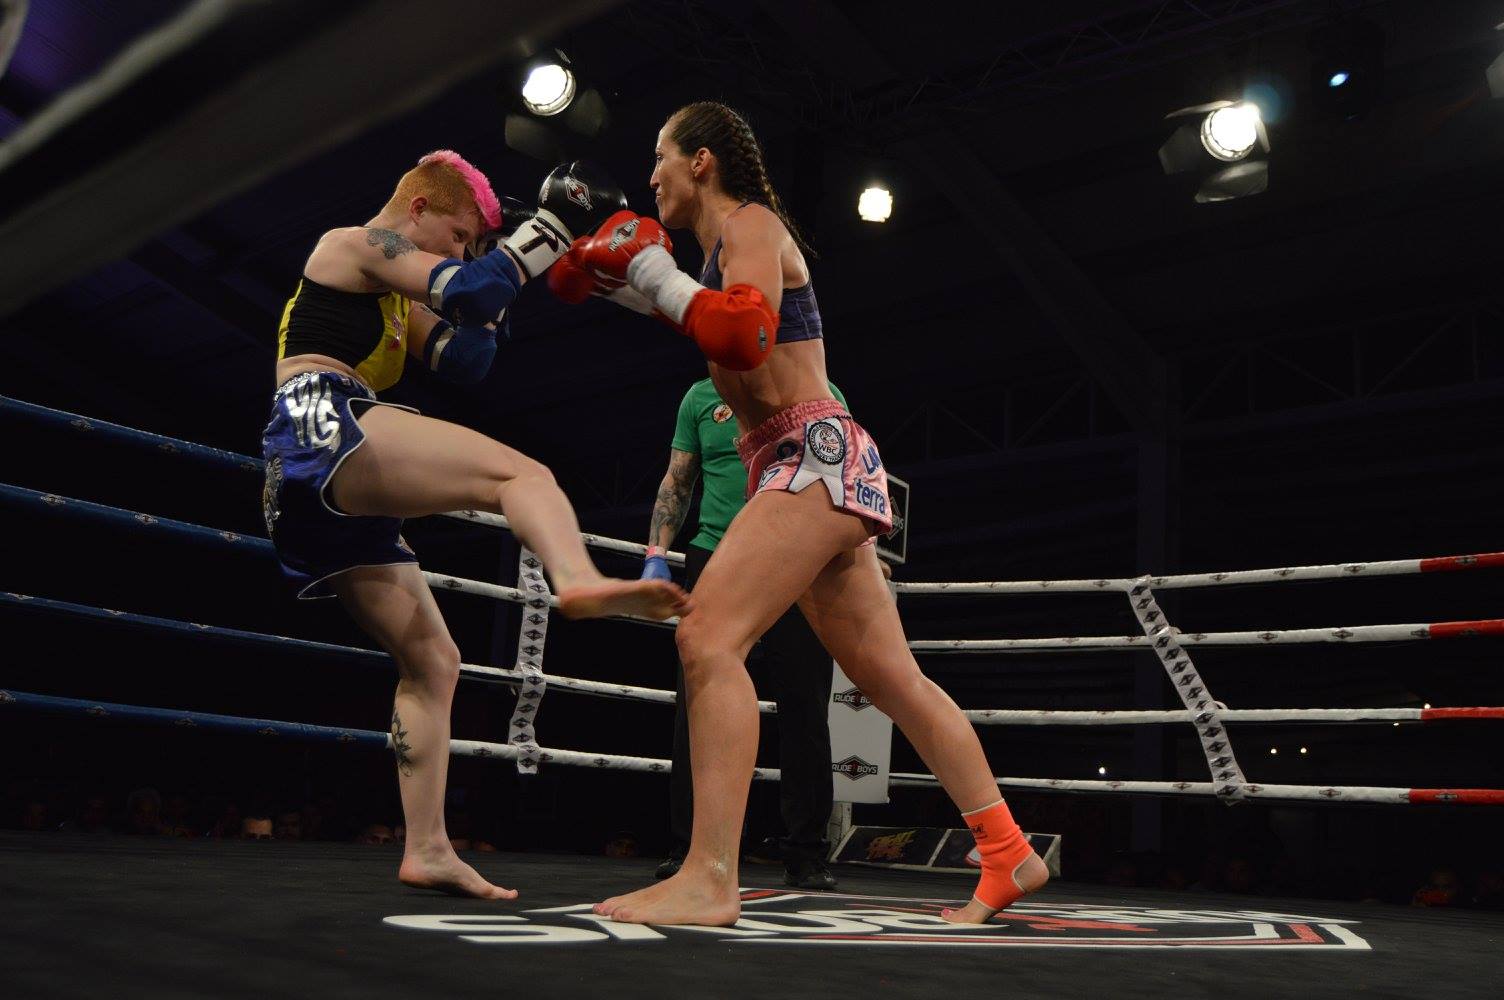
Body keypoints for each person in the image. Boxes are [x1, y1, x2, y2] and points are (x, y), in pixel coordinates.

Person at [551, 102, 1047, 926]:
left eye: (661, 155)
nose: (651, 175)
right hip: (808, 462)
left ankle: (710, 876)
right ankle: (1007, 851)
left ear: (701, 160)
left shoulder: (750, 224)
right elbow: (698, 316)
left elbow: (744, 336)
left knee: (707, 637)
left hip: (809, 455)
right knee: (892, 679)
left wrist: (649, 271)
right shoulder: (717, 256)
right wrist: (606, 275)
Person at [262, 150, 690, 900]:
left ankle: (427, 848)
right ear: (420, 208)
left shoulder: (398, 298)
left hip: (308, 469)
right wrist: (550, 228)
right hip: (321, 422)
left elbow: (466, 358)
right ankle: (577, 581)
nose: (463, 250)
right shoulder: (354, 244)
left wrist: (500, 284)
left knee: (433, 661)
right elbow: (470, 285)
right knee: (525, 477)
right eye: (459, 234)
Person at [644, 376, 845, 890]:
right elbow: (678, 480)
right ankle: (691, 848)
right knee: (700, 703)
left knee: (805, 703)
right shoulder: (699, 397)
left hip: (796, 558)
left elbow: (840, 482)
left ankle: (806, 852)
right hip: (716, 554)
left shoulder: (818, 390)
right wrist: (656, 554)